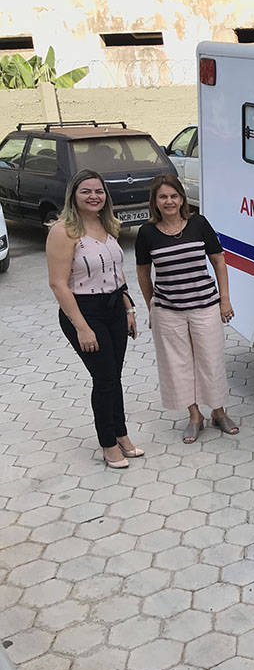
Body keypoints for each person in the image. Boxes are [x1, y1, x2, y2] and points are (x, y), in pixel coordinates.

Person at [46, 169, 143, 469]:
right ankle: (107, 443)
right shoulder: (63, 231)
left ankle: (121, 434)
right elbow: (58, 284)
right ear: (73, 195)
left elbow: (116, 271)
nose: (94, 196)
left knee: (115, 376)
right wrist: (82, 327)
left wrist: (128, 308)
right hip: (85, 312)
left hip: (114, 308)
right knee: (104, 379)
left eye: (99, 191)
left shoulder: (107, 223)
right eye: (86, 191)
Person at [135, 174, 239, 443]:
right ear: (155, 201)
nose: (169, 201)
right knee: (178, 365)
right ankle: (194, 416)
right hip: (168, 311)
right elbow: (143, 273)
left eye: (174, 196)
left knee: (211, 360)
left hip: (205, 306)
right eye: (163, 197)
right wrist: (152, 306)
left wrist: (225, 299)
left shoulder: (198, 224)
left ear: (182, 199)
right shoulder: (147, 233)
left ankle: (218, 411)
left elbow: (218, 261)